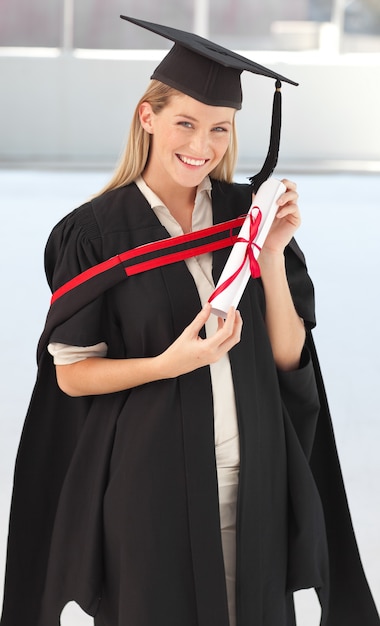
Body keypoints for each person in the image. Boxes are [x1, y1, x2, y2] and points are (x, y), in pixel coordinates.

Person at [1, 15, 379, 626]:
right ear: (147, 117)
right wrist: (167, 365)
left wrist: (273, 254)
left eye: (219, 129)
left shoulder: (245, 218)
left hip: (256, 482)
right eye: (184, 122)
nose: (201, 145)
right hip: (151, 490)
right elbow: (71, 375)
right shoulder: (95, 233)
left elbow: (290, 359)